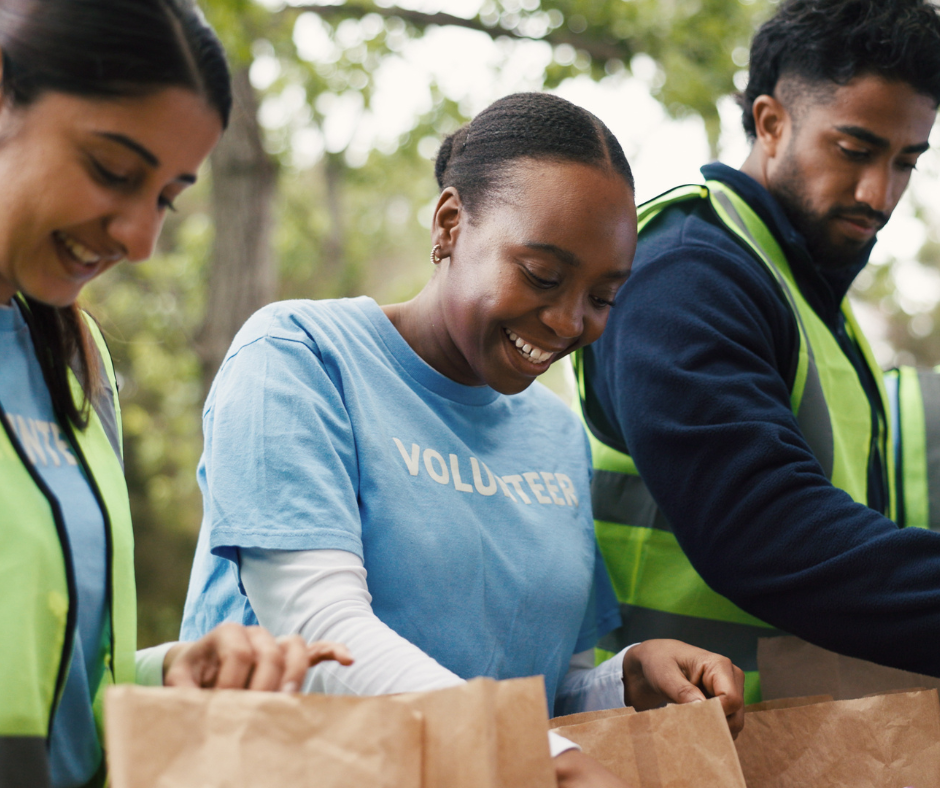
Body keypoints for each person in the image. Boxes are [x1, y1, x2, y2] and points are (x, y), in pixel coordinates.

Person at [181, 92, 745, 788]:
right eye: (542, 276)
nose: (570, 322)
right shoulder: (301, 357)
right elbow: (322, 637)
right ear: (450, 223)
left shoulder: (555, 434)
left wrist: (626, 679)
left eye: (602, 297)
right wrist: (547, 760)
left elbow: (540, 693)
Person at [0, 3, 351, 787]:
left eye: (166, 197)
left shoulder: (75, 360)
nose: (140, 239)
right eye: (113, 171)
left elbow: (55, 700)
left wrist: (171, 674)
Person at [576, 0, 940, 703]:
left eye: (906, 162)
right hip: (672, 736)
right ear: (771, 122)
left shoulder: (805, 292)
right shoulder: (687, 272)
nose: (880, 193)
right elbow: (765, 529)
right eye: (855, 150)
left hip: (778, 735)